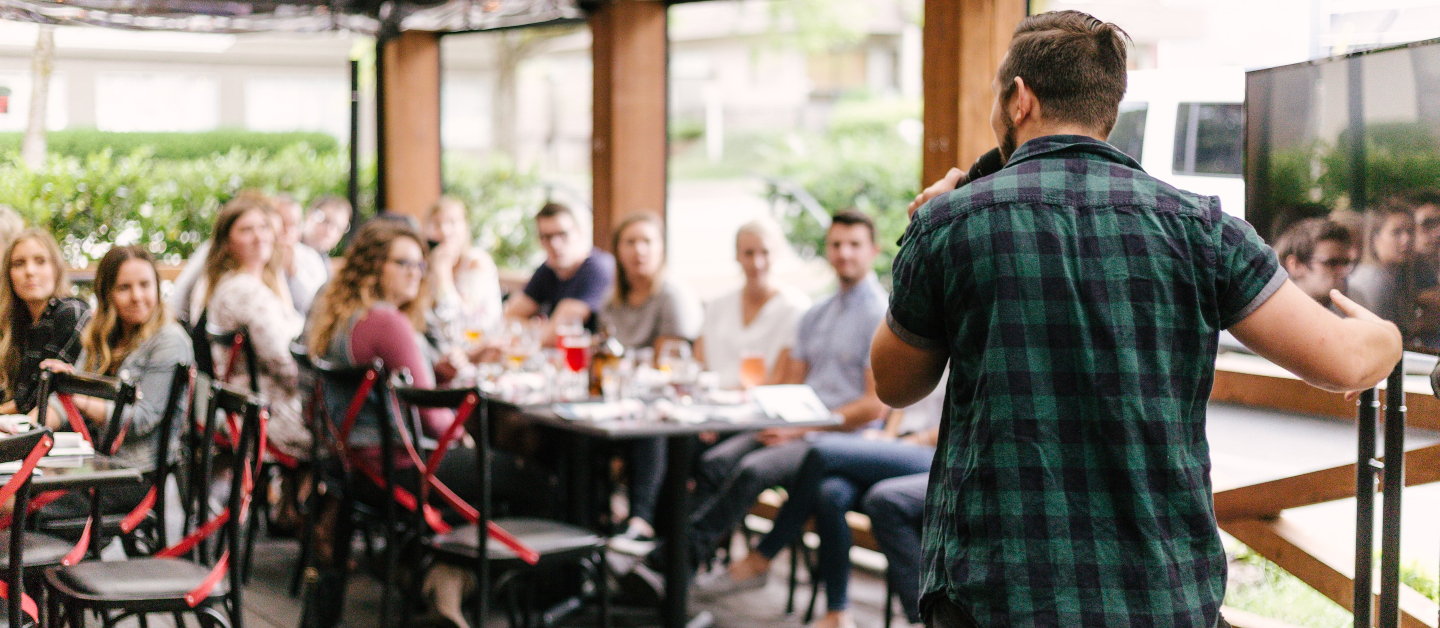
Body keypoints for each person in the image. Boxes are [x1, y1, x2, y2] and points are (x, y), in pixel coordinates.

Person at [875, 11, 1402, 628]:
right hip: (1155, 595)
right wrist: (1387, 335)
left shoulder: (951, 222)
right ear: (1107, 108)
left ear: (1019, 99)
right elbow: (1344, 362)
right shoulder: (1200, 228)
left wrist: (926, 231)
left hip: (995, 596)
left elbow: (894, 381)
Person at [682, 210, 889, 573]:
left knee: (750, 470)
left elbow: (875, 406)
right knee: (713, 460)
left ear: (874, 250)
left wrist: (805, 428)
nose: (844, 253)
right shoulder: (816, 312)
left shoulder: (880, 315)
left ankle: (678, 561)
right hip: (796, 426)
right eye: (836, 244)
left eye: (854, 245)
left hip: (838, 438)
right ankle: (692, 559)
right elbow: (791, 384)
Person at [697, 383, 945, 628]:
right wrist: (885, 438)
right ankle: (837, 613)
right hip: (888, 446)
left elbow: (955, 424)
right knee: (830, 494)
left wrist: (901, 443)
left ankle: (764, 554)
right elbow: (895, 407)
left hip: (927, 452)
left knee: (820, 452)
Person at [36, 245, 193, 522]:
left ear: (158, 287)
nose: (137, 296)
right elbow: (64, 403)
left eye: (145, 285)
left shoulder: (170, 340)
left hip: (133, 475)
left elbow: (141, 420)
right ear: (107, 294)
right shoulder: (102, 333)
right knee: (16, 485)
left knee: (19, 503)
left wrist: (77, 394)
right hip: (93, 462)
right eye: (124, 288)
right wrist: (25, 430)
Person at [599, 213, 702, 543]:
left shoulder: (672, 296)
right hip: (619, 401)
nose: (639, 250)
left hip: (666, 406)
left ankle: (641, 521)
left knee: (647, 423)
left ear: (662, 249)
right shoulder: (611, 301)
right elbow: (602, 357)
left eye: (647, 242)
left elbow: (666, 364)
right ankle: (593, 519)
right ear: (618, 250)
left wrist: (624, 365)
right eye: (630, 242)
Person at [202, 194, 309, 461]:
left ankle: (292, 503)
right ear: (227, 243)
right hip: (264, 414)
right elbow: (285, 363)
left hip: (257, 407)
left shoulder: (252, 284)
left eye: (263, 227)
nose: (259, 236)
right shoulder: (243, 291)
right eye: (246, 230)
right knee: (350, 439)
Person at [695, 220, 811, 389]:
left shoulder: (795, 308)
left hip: (760, 408)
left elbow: (782, 379)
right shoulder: (717, 305)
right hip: (710, 403)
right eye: (748, 253)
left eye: (765, 252)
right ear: (737, 256)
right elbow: (699, 364)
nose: (757, 263)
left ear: (777, 254)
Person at [0, 228, 89, 417]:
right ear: (8, 274)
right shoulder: (16, 321)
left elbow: (33, 398)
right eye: (19, 263)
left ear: (56, 268)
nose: (30, 271)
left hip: (60, 435)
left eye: (40, 261)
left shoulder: (71, 312)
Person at [503, 202, 615, 338]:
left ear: (579, 233)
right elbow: (507, 319)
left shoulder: (597, 267)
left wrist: (534, 328)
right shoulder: (548, 269)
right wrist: (541, 328)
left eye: (563, 234)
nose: (555, 244)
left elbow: (555, 335)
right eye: (547, 237)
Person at [424, 197, 504, 343]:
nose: (445, 230)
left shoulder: (476, 262)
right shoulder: (429, 262)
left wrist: (443, 273)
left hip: (480, 346)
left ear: (465, 227)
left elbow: (460, 321)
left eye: (452, 223)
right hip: (443, 344)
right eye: (437, 224)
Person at [1347, 201, 1417, 333]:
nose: (1406, 239)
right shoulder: (1372, 280)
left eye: (1410, 231)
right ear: (1375, 238)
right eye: (1396, 232)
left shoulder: (1395, 275)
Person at [1273, 217, 1356, 309]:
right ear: (1295, 265)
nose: (1343, 271)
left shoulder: (1354, 303)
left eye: (1345, 263)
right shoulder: (1272, 316)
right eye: (1332, 263)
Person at [274, 194, 331, 316]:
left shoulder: (311, 258)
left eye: (293, 224)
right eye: (282, 223)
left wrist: (292, 271)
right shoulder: (258, 257)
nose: (287, 230)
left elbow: (317, 306)